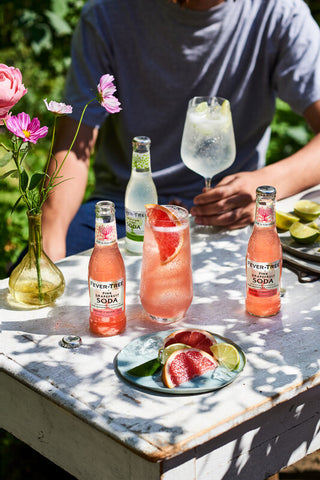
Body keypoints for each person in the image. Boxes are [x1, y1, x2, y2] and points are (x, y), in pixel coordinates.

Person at [42, 0, 320, 261]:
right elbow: (72, 147)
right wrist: (49, 242)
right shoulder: (107, 12)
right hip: (126, 211)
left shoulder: (279, 13)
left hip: (230, 216)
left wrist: (266, 188)